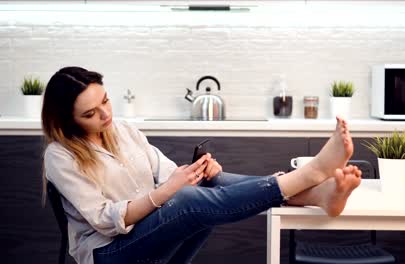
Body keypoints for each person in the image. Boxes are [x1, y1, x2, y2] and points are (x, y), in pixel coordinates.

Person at [41, 66, 362, 264]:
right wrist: (168, 191)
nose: (105, 115)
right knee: (188, 201)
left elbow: (166, 173)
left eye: (105, 101)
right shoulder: (60, 156)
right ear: (66, 121)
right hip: (109, 252)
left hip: (146, 230)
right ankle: (310, 176)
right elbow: (104, 221)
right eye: (90, 114)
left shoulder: (122, 130)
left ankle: (316, 194)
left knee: (207, 184)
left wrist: (196, 173)